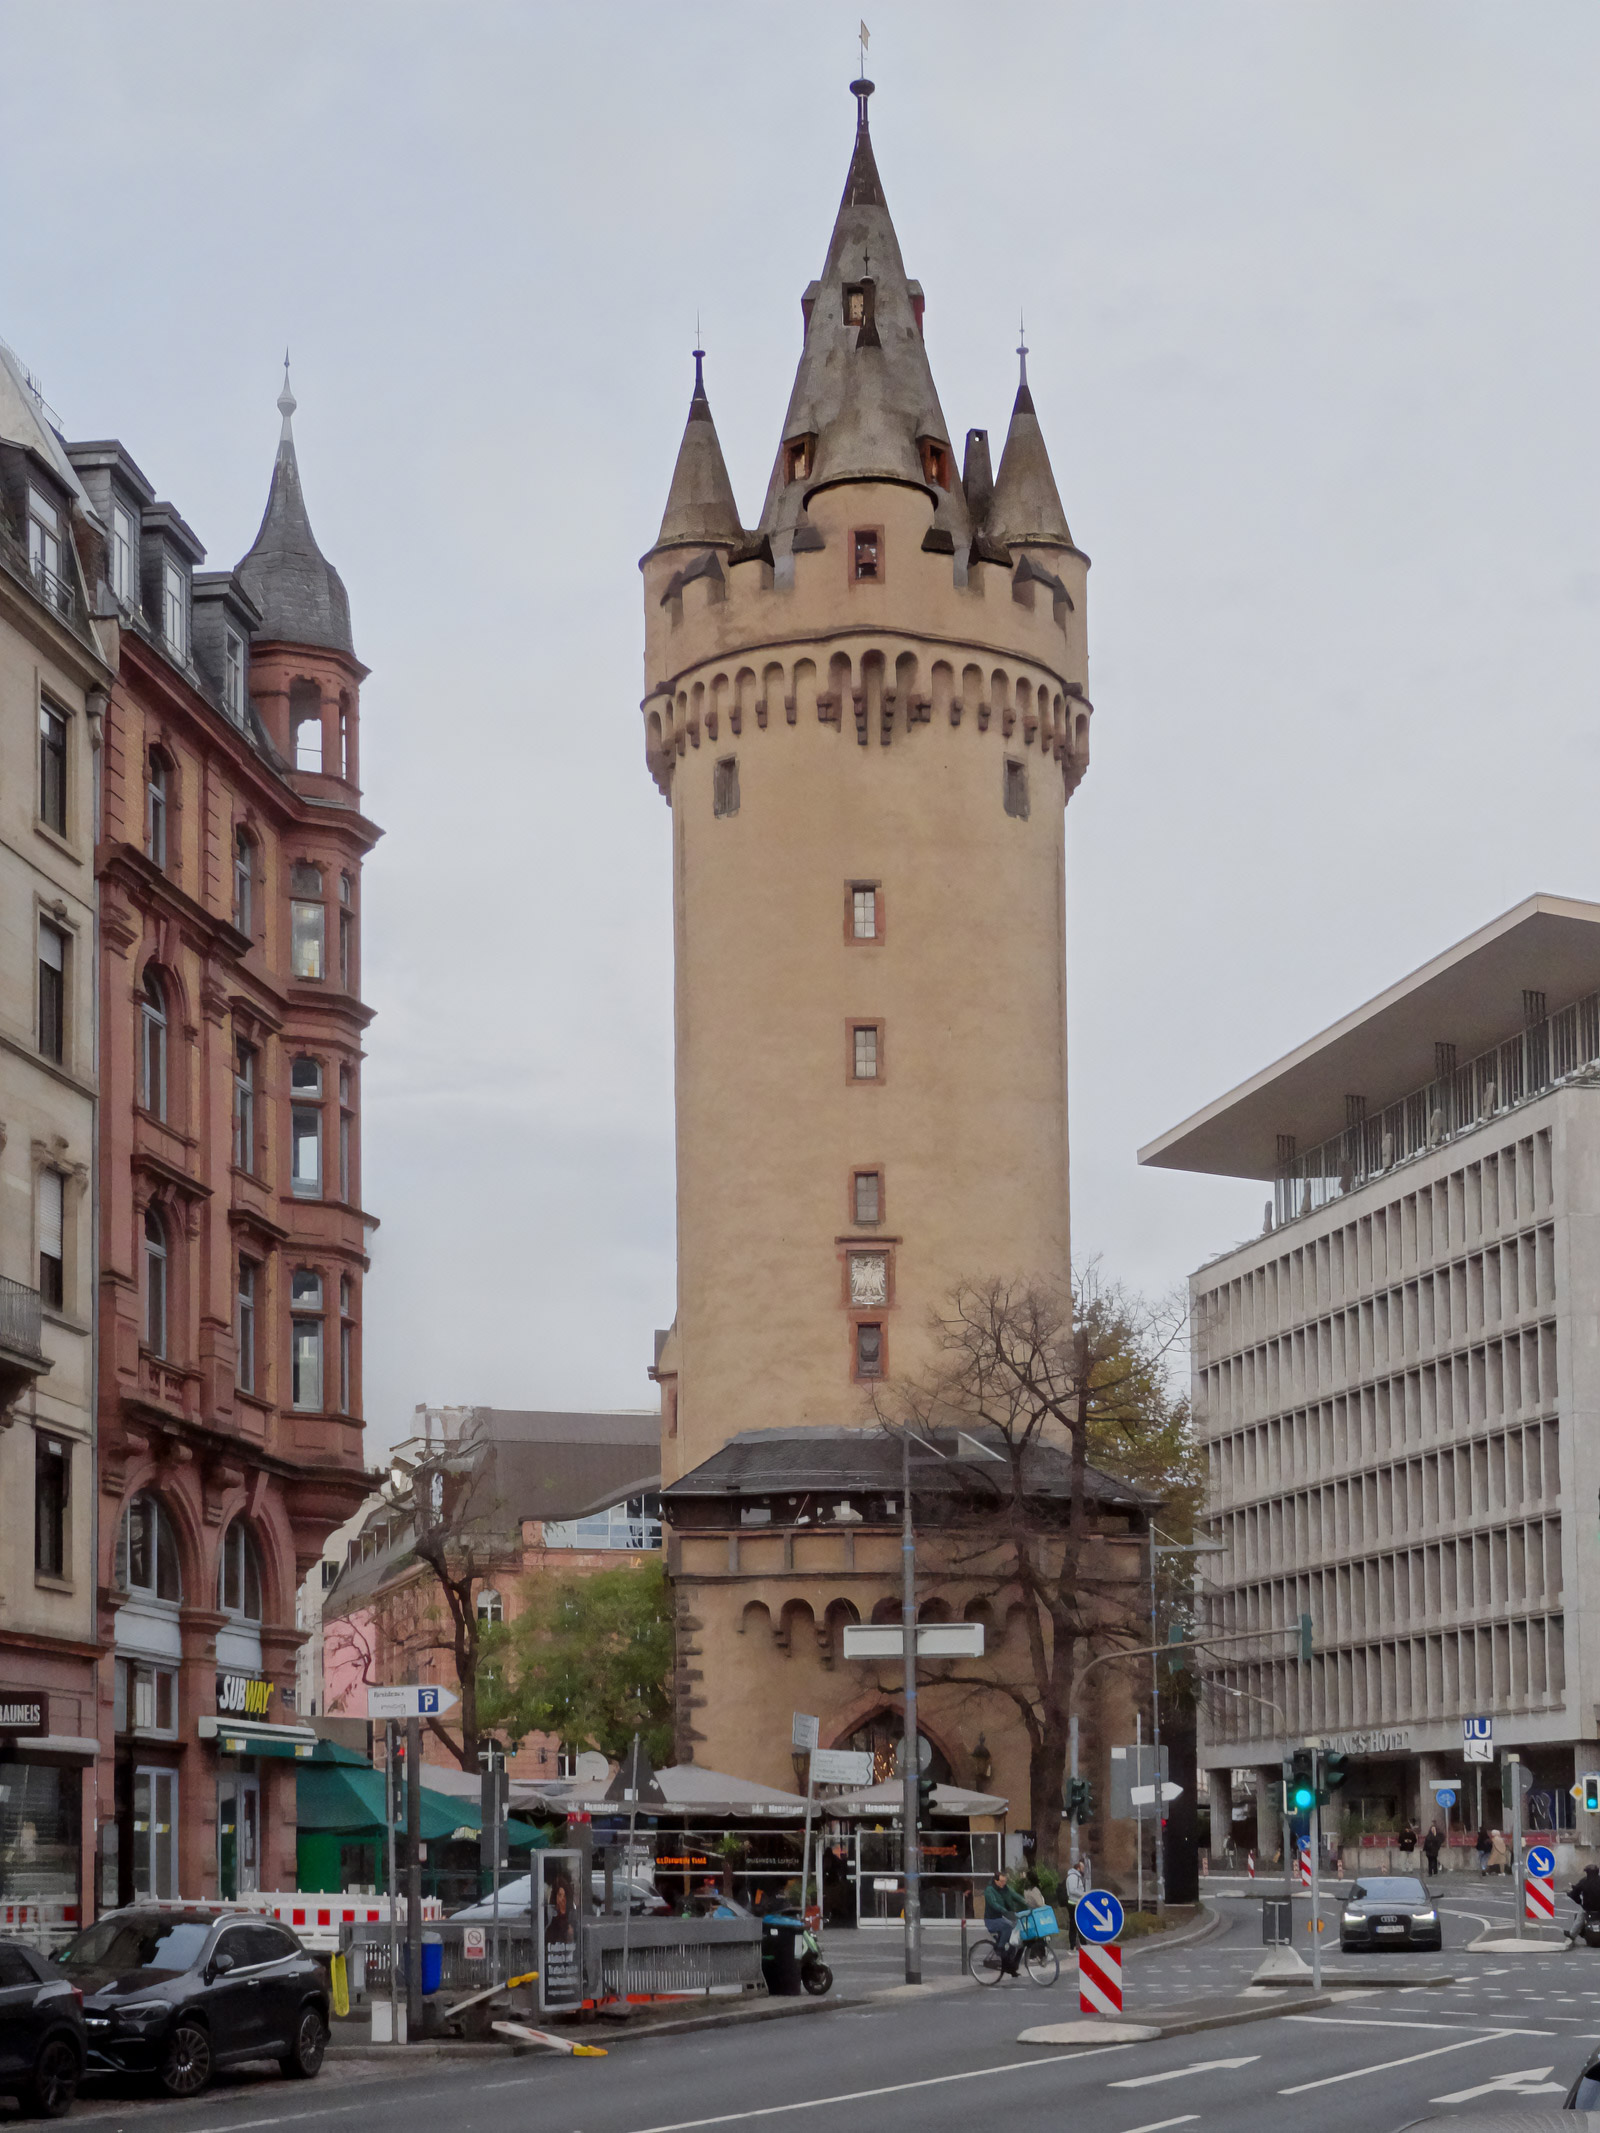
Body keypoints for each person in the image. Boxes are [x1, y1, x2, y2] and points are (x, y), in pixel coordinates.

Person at [984, 1867, 1026, 1973]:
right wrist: (1004, 1911)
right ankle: (999, 1948)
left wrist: (1029, 1904)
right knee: (1008, 1926)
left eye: (1005, 1881)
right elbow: (994, 1904)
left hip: (1002, 1918)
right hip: (992, 1920)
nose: (1003, 1883)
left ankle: (1010, 1961)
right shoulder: (989, 1890)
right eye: (1001, 1881)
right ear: (995, 1880)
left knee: (1017, 1935)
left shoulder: (1006, 1889)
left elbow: (1016, 1896)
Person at [1063, 1860, 1086, 1950]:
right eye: (1082, 1868)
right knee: (1077, 1924)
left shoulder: (1075, 1876)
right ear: (1078, 1868)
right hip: (1074, 1904)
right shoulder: (1073, 1877)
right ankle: (1078, 1944)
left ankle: (1076, 1944)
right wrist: (1083, 1894)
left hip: (1075, 1903)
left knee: (1075, 1925)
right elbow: (1072, 1890)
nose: (1083, 1870)